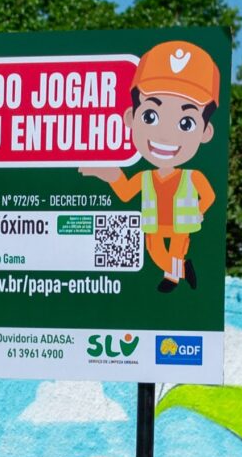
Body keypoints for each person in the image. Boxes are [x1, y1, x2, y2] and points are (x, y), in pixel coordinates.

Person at [80, 40, 220, 291]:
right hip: (154, 224)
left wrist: (200, 209)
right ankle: (181, 270)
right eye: (150, 117)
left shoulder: (193, 175)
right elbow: (125, 193)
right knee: (156, 252)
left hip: (182, 224)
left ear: (206, 132)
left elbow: (210, 195)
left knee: (176, 250)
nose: (165, 135)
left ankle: (173, 277)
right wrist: (112, 175)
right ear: (131, 117)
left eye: (186, 123)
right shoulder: (146, 176)